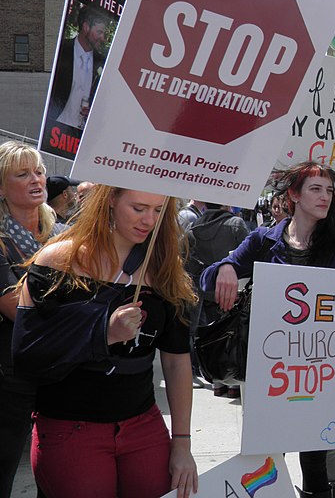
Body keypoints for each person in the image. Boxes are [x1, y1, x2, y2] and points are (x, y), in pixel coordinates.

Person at [200, 161, 335, 498]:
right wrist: (226, 266)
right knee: (268, 460)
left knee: (315, 465)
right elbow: (206, 278)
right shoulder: (264, 239)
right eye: (316, 189)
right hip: (272, 375)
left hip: (319, 375)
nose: (325, 197)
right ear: (294, 195)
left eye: (329, 190)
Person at [15, 185, 198, 498]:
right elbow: (26, 353)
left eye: (158, 210)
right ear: (111, 199)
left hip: (143, 426)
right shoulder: (56, 261)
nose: (148, 220)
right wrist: (104, 332)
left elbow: (177, 359)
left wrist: (182, 441)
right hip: (69, 426)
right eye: (139, 208)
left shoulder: (165, 271)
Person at [0, 141, 63, 497]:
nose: (36, 179)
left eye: (38, 171)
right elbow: (13, 306)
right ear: (0, 187)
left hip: (64, 372)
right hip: (11, 377)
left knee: (60, 474)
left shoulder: (63, 233)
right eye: (22, 174)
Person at [185, 203, 250, 396]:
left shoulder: (194, 226)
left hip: (204, 289)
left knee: (210, 335)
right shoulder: (236, 224)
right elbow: (247, 256)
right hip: (233, 290)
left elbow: (186, 259)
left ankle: (217, 382)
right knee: (233, 334)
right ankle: (232, 384)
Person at [50, 6, 109, 129]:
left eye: (104, 33)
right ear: (86, 27)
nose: (103, 38)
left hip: (82, 133)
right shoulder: (62, 51)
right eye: (99, 32)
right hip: (55, 128)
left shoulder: (102, 61)